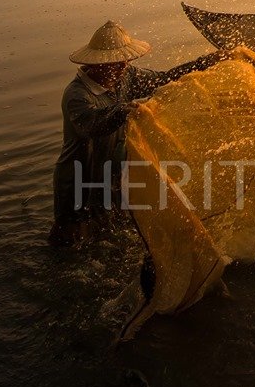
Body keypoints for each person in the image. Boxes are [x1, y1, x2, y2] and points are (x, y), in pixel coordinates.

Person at [50, 20, 175, 247]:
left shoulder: (126, 77)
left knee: (112, 235)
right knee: (72, 244)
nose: (123, 66)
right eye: (115, 62)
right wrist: (123, 110)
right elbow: (94, 125)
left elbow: (164, 79)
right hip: (79, 182)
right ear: (97, 64)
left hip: (112, 177)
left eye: (125, 60)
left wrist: (206, 63)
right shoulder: (77, 95)